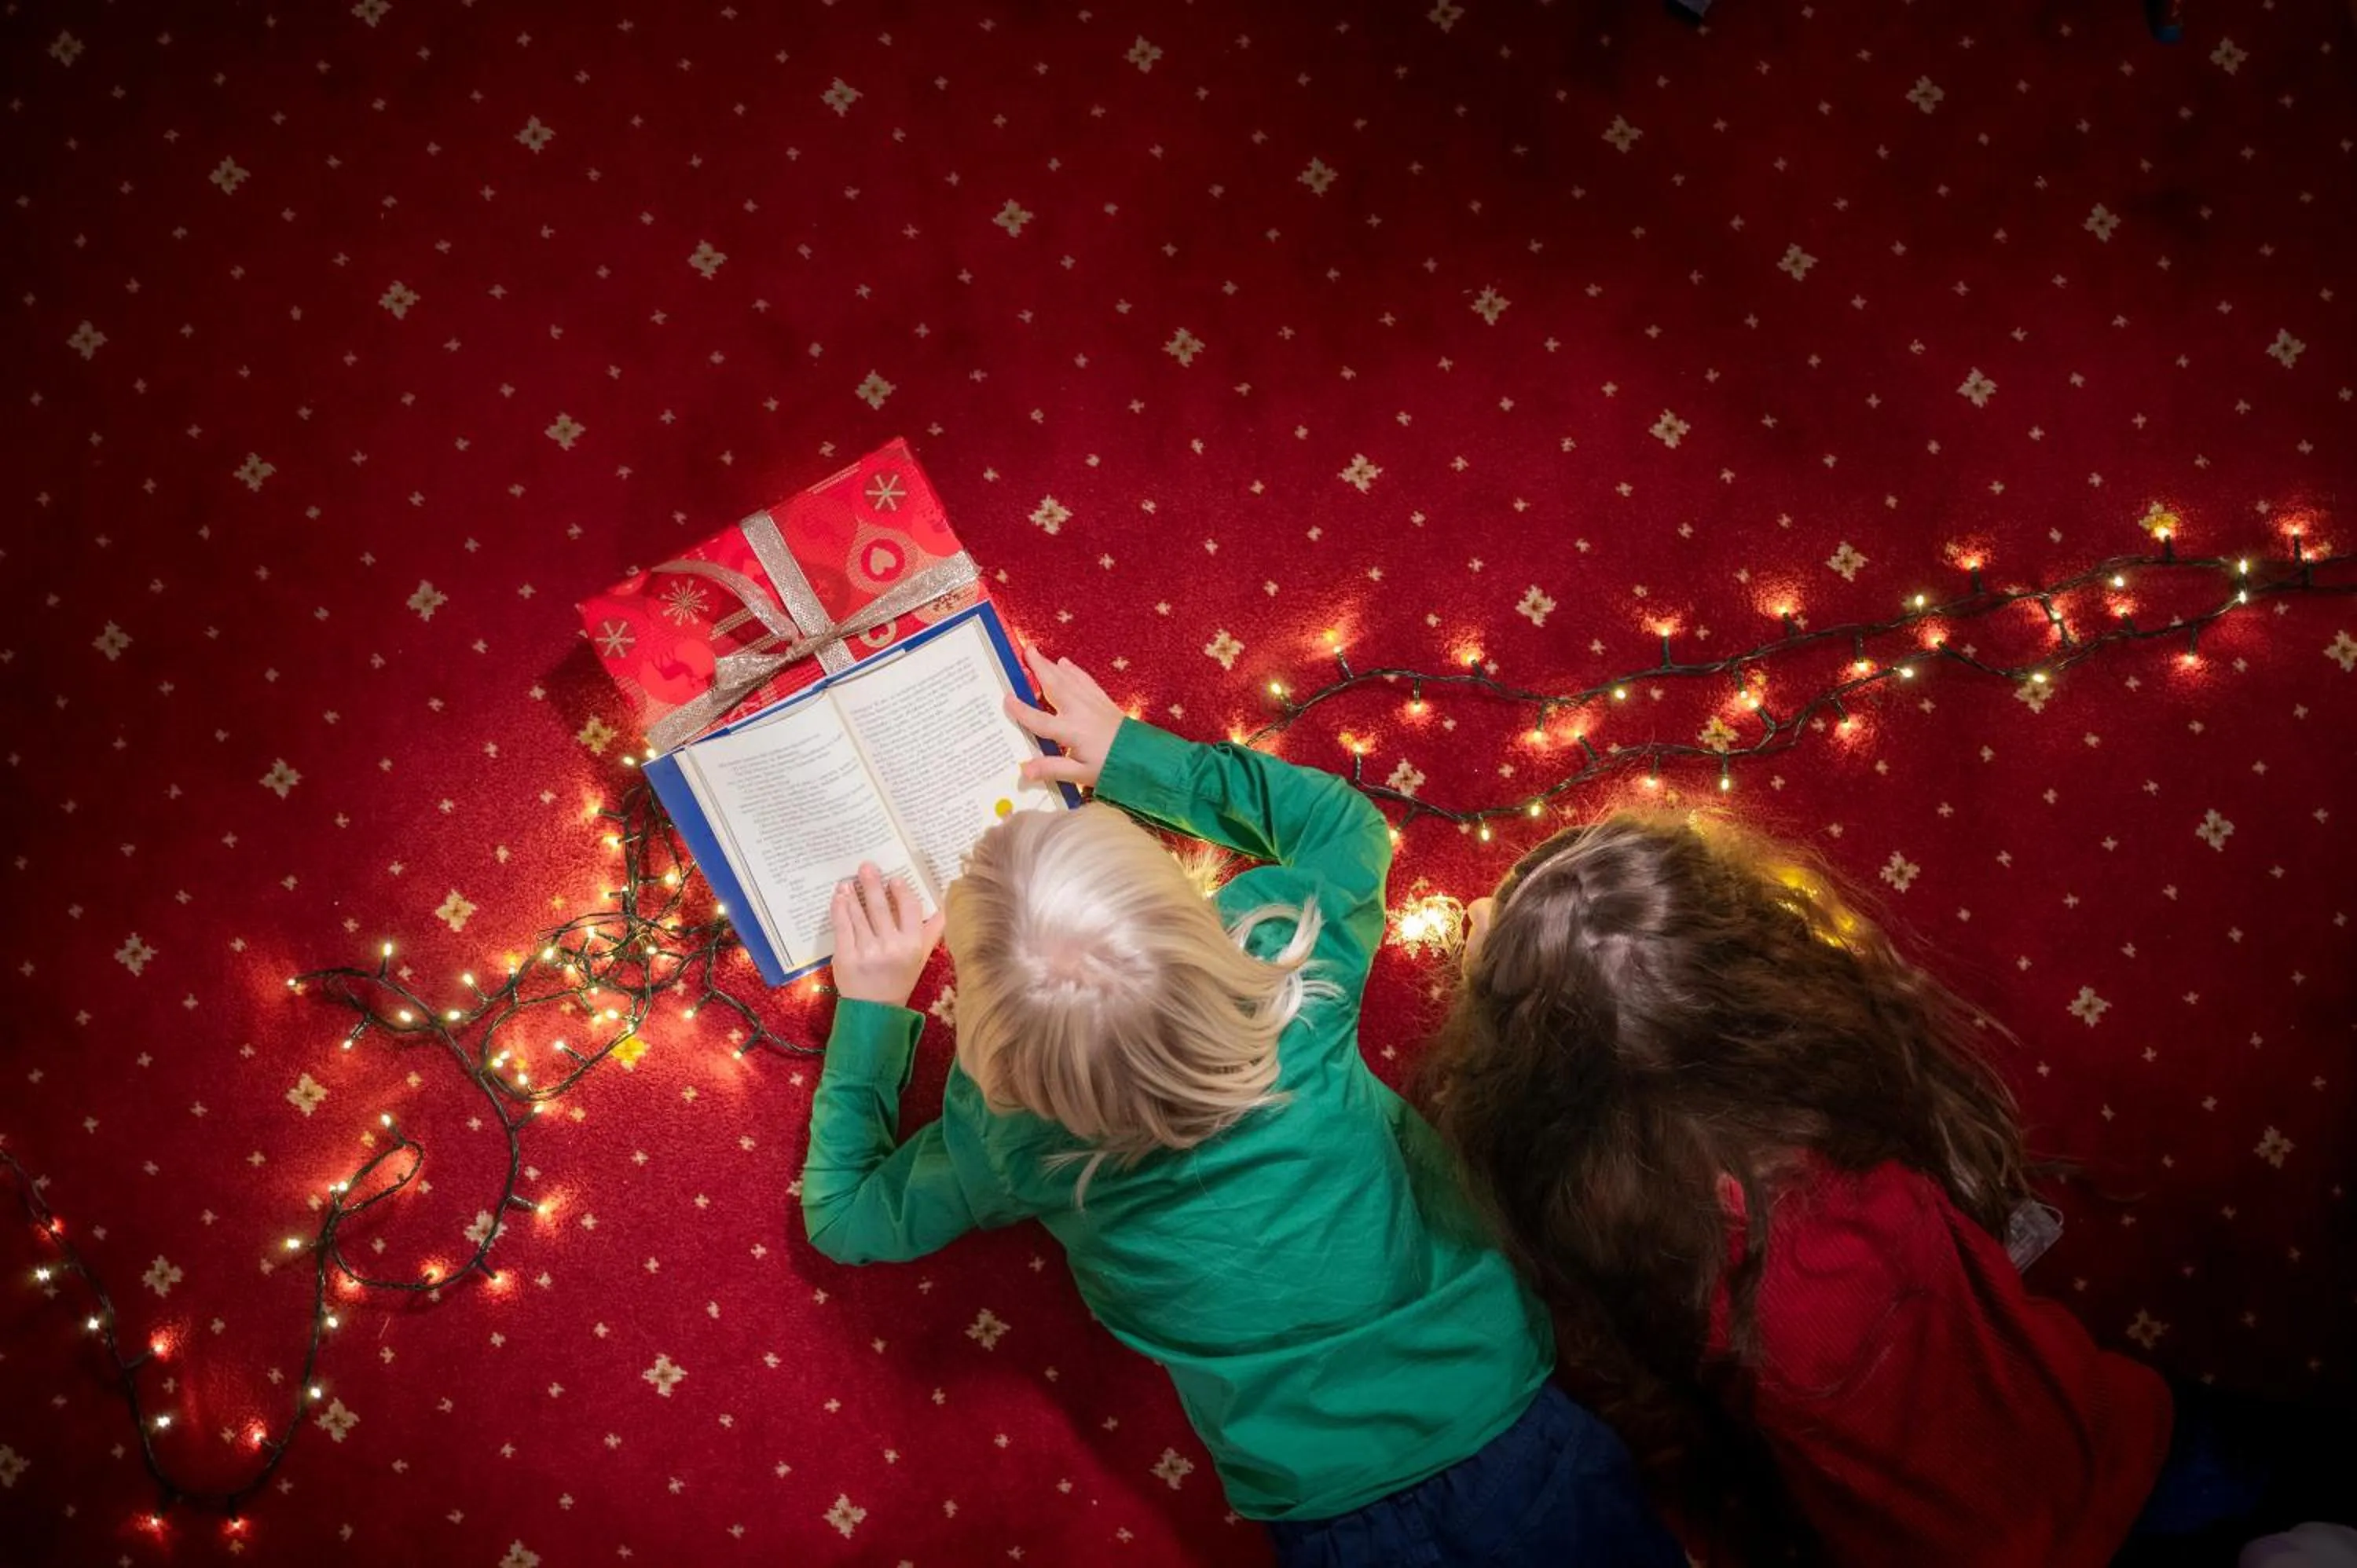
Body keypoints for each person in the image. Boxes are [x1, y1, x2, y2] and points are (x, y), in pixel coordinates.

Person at [797, 648, 1681, 1567]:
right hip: (1515, 1426)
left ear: (993, 1055)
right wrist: (1133, 758)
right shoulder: (1289, 963)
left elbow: (846, 1215)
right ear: (1200, 917)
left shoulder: (1010, 1130)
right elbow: (1348, 827)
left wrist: (870, 1006)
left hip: (1332, 1520)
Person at [1417, 811, 2179, 1565]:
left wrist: (1500, 984)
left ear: (1542, 1090)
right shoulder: (1854, 1103)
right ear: (1760, 977)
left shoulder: (1662, 1257)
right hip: (2118, 1441)